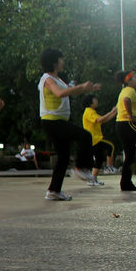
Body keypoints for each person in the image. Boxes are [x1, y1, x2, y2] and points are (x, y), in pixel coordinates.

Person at [38, 48, 101, 200]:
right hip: (52, 121)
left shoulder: (58, 79)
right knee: (85, 135)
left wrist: (88, 88)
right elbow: (59, 93)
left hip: (58, 121)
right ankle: (81, 167)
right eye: (61, 59)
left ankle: (53, 191)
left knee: (63, 158)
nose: (63, 61)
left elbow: (67, 91)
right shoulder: (47, 78)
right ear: (54, 62)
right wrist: (80, 87)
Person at [82, 95, 117, 185]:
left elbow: (103, 120)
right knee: (111, 146)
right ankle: (109, 167)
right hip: (94, 139)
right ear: (90, 102)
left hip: (94, 139)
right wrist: (111, 111)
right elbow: (99, 120)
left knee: (99, 159)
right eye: (95, 99)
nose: (97, 101)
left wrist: (114, 113)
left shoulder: (92, 111)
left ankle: (92, 180)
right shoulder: (88, 111)